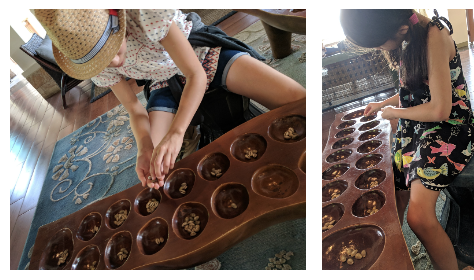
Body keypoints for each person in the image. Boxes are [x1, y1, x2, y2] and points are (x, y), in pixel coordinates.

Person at [34, 9, 305, 189]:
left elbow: (195, 75)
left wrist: (175, 133)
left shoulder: (145, 11)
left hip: (199, 55)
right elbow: (134, 111)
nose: (115, 62)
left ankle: (187, 131)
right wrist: (143, 147)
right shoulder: (91, 60)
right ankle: (191, 132)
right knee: (157, 172)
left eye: (112, 47)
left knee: (297, 99)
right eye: (101, 60)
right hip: (162, 80)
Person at [340, 9, 474, 270]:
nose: (381, 49)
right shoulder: (409, 34)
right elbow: (415, 92)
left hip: (450, 129)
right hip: (421, 126)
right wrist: (384, 104)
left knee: (419, 218)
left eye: (379, 44)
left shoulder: (435, 36)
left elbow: (439, 110)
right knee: (393, 193)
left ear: (400, 30)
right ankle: (389, 255)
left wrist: (395, 113)